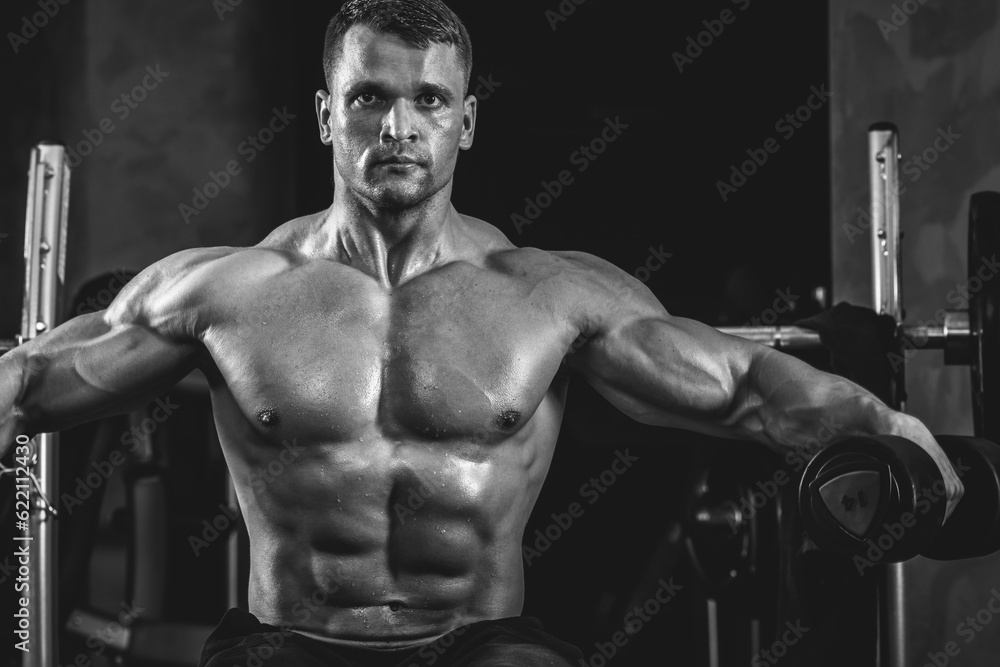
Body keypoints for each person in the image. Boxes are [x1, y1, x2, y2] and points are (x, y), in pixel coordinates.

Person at [0, 1, 963, 665]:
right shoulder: (230, 290)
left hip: (481, 643)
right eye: (370, 97)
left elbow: (747, 387)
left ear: (468, 121)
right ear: (326, 114)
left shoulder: (545, 295)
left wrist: (886, 423)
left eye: (427, 101)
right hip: (286, 642)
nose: (397, 127)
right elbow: (40, 377)